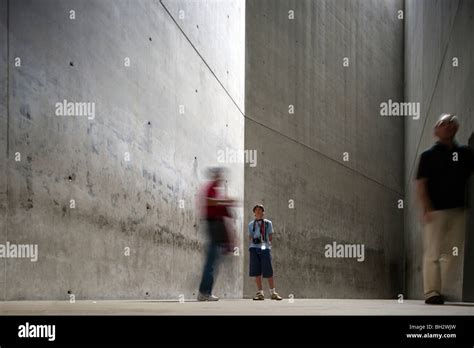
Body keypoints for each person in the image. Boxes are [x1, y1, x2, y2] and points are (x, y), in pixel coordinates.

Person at [416, 113, 474, 304]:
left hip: (458, 210)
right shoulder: (428, 156)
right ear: (436, 131)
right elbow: (422, 183)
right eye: (443, 123)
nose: (448, 125)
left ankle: (442, 287)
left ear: (456, 128)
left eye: (451, 123)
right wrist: (426, 207)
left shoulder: (466, 154)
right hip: (435, 211)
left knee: (453, 252)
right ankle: (432, 293)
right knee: (432, 252)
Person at [197, 167, 236, 301]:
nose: (221, 178)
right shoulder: (210, 187)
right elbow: (208, 201)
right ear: (215, 176)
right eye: (219, 175)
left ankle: (206, 292)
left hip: (218, 227)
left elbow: (226, 213)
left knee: (215, 261)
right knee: (212, 260)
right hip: (212, 224)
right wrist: (225, 202)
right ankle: (204, 292)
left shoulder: (217, 191)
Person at [248, 204, 282, 300]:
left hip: (265, 248)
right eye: (256, 210)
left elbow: (270, 236)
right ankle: (260, 293)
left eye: (260, 210)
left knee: (268, 270)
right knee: (256, 271)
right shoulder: (251, 224)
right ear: (254, 212)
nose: (258, 212)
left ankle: (273, 292)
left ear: (263, 212)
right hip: (254, 248)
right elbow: (250, 237)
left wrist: (265, 242)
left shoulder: (268, 223)